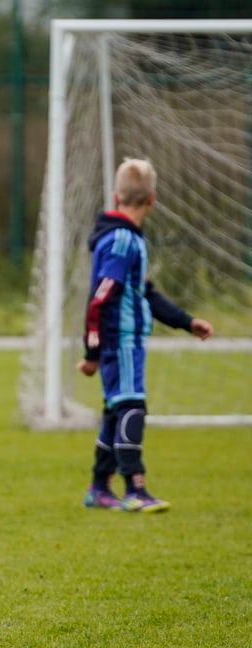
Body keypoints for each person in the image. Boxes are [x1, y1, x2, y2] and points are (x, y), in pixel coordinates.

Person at [78, 157, 213, 513]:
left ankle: (99, 488)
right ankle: (134, 488)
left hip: (123, 342)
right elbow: (99, 299)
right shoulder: (123, 240)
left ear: (115, 196)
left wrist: (186, 322)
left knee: (115, 410)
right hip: (119, 341)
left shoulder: (124, 239)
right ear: (152, 199)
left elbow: (145, 293)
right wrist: (92, 352)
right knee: (132, 407)